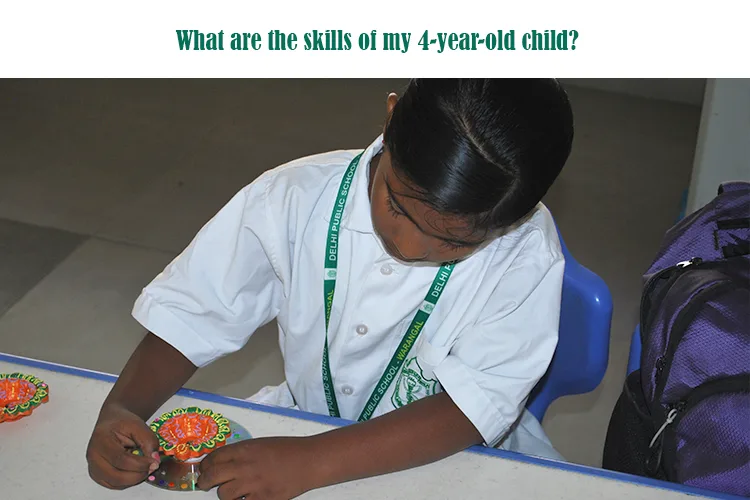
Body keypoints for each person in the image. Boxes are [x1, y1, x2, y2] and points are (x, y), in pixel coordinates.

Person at [86, 78, 575, 499]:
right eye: (398, 207)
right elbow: (195, 313)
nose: (407, 244)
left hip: (454, 457)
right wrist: (123, 408)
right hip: (304, 428)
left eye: (452, 242)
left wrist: (312, 462)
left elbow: (469, 409)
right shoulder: (293, 197)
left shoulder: (526, 251)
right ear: (389, 120)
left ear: (517, 216)